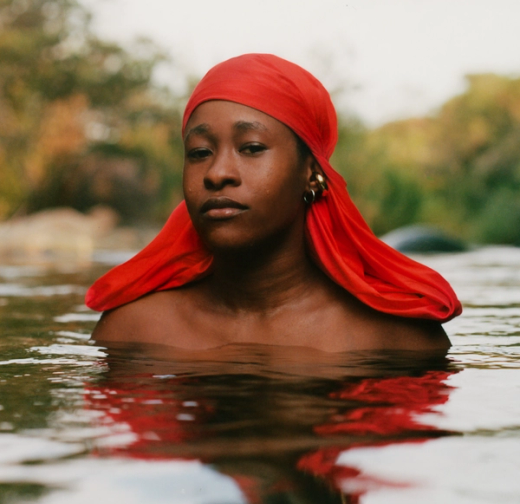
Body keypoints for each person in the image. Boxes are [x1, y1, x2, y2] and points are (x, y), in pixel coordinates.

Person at [88, 54, 461, 352]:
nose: (217, 173)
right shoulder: (132, 331)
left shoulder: (397, 339)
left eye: (251, 148)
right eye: (199, 152)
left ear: (311, 172)